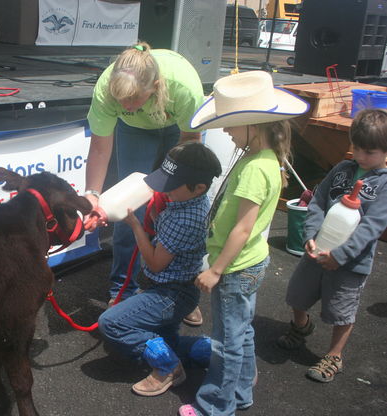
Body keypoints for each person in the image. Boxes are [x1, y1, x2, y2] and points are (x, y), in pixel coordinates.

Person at [178, 70, 309, 416]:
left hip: (234, 269)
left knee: (226, 342)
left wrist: (216, 270)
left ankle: (215, 406)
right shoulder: (265, 160)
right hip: (250, 263)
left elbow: (242, 228)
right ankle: (241, 392)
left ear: (253, 125)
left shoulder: (253, 168)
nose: (225, 131)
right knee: (242, 332)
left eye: (231, 124)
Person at [83, 41, 205, 322]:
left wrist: (170, 190)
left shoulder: (183, 87)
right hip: (136, 131)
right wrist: (92, 194)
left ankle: (177, 292)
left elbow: (190, 145)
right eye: (120, 100)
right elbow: (100, 148)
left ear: (156, 86)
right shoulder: (107, 89)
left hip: (178, 131)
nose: (125, 105)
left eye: (132, 99)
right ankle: (123, 290)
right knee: (129, 210)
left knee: (176, 208)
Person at [97, 142, 222, 397]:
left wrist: (134, 225)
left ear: (199, 187)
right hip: (174, 289)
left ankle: (168, 368)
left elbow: (155, 262)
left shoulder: (184, 218)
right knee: (168, 340)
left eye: (171, 185)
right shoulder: (189, 203)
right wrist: (155, 217)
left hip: (170, 293)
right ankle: (218, 354)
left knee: (111, 323)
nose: (165, 190)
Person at [276, 108, 387, 383]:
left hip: (350, 263)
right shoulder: (341, 169)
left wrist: (341, 255)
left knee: (341, 310)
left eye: (369, 152)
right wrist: (310, 235)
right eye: (357, 148)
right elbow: (317, 201)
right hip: (317, 251)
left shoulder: (384, 184)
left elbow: (372, 227)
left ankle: (334, 355)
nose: (360, 156)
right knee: (297, 294)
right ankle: (301, 326)